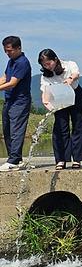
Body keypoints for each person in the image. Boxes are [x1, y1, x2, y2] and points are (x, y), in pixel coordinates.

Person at [38, 49, 82, 169]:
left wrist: (71, 79)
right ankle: (61, 159)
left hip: (75, 94)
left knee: (78, 125)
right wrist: (47, 104)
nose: (47, 67)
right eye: (44, 65)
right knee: (60, 127)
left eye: (48, 63)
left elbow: (76, 74)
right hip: (59, 98)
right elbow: (45, 93)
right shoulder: (45, 76)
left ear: (55, 59)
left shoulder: (70, 64)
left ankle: (77, 159)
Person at [0, 36, 31, 171]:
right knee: (7, 129)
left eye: (10, 50)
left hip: (20, 101)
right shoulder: (11, 61)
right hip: (9, 100)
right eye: (5, 51)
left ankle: (13, 159)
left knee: (16, 130)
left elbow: (12, 83)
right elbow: (5, 78)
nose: (7, 53)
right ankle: (15, 159)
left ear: (19, 48)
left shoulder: (22, 62)